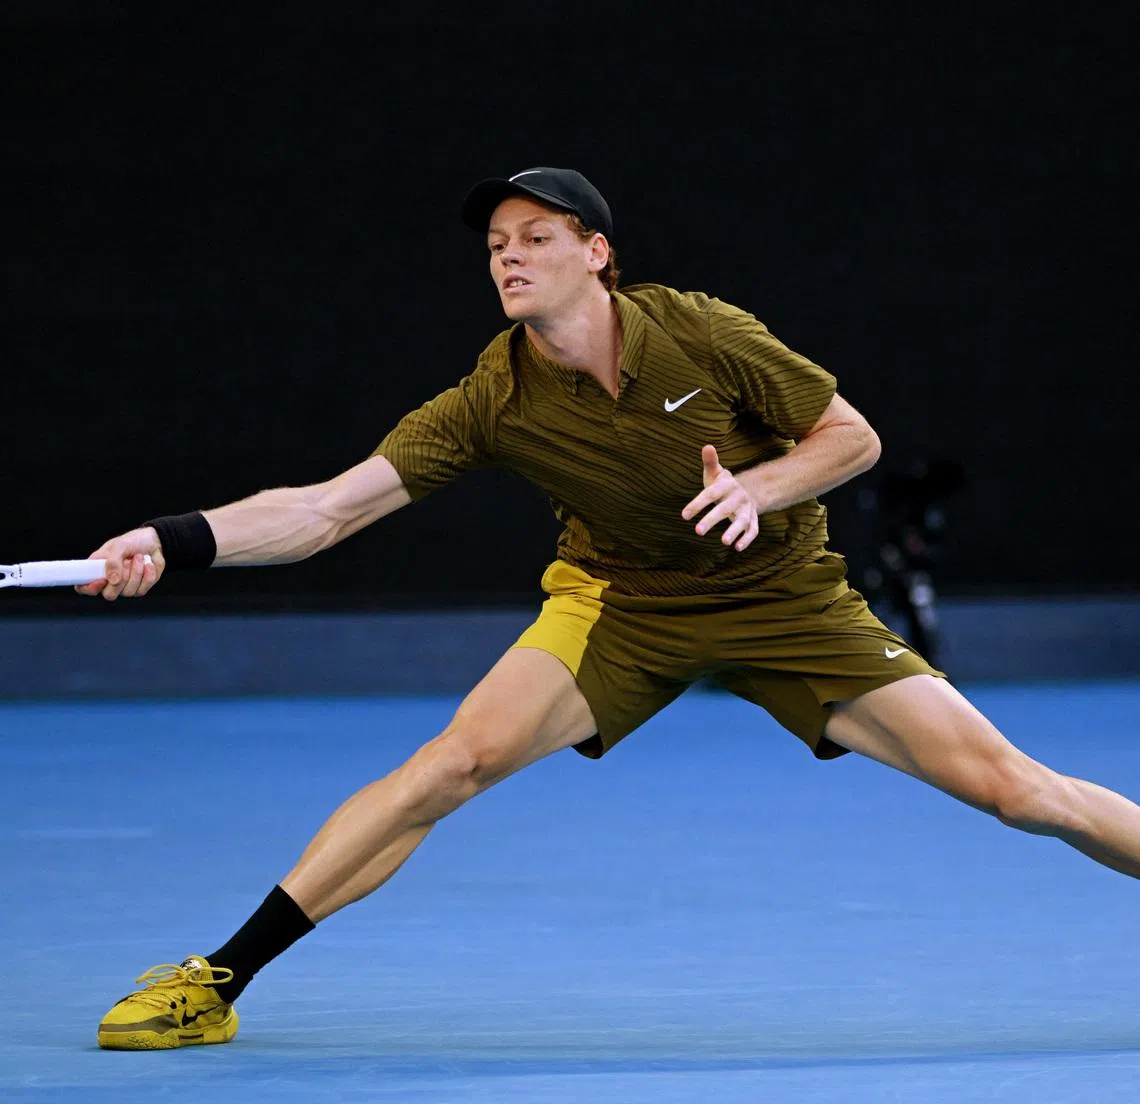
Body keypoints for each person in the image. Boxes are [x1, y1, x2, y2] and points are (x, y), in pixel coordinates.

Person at [87, 167, 1140, 1051]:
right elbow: (326, 510)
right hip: (622, 606)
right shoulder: (492, 398)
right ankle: (218, 980)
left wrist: (757, 488)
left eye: (535, 238)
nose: (509, 258)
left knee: (1017, 793)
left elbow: (851, 439)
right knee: (452, 765)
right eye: (496, 245)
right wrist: (170, 540)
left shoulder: (700, 330)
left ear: (596, 254)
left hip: (786, 603)